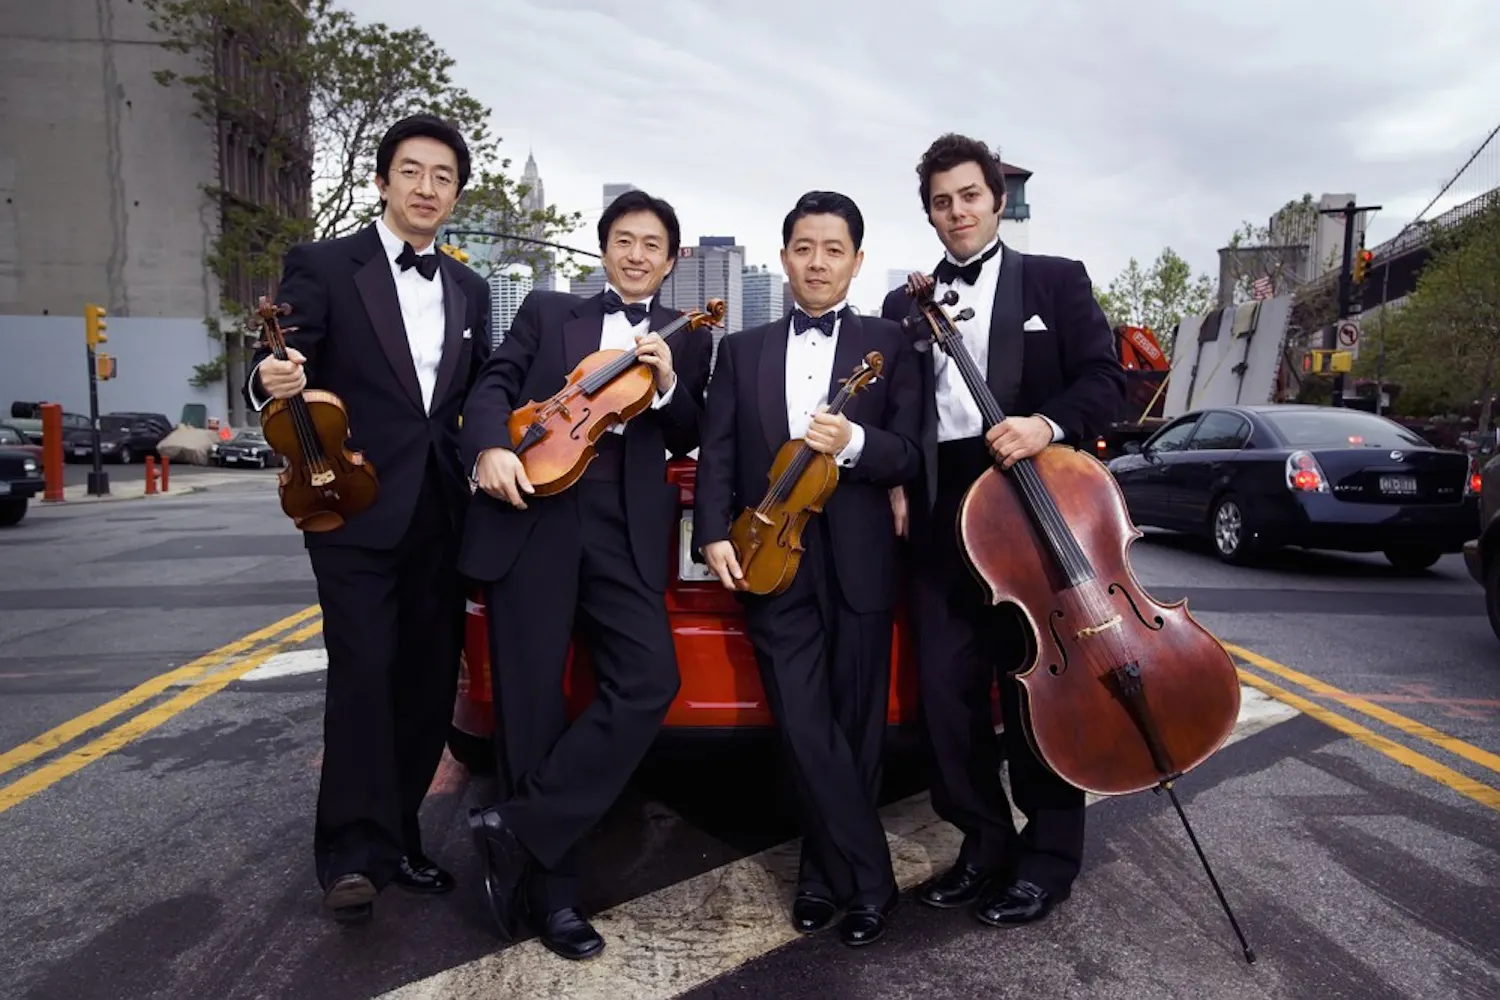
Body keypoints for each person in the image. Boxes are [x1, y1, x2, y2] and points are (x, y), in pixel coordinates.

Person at [246, 114, 492, 925]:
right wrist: (269, 377)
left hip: (440, 511)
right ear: (383, 180)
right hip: (346, 503)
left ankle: (400, 840)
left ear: (457, 192)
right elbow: (284, 360)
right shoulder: (323, 265)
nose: (427, 188)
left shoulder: (469, 288)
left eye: (443, 177)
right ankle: (350, 852)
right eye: (412, 172)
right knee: (363, 673)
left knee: (426, 683)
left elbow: (474, 396)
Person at [458, 189, 713, 961]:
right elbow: (493, 387)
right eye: (625, 240)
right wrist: (489, 447)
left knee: (648, 680)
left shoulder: (689, 341)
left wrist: (667, 385)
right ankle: (553, 898)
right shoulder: (544, 311)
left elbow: (692, 431)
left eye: (652, 246)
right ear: (604, 247)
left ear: (671, 262)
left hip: (622, 532)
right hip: (532, 517)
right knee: (530, 710)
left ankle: (518, 825)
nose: (637, 254)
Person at [880, 133, 1126, 928]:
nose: (956, 212)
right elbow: (892, 410)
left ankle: (1047, 858)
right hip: (937, 507)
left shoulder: (1054, 281)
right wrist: (894, 478)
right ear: (929, 212)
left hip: (1026, 500)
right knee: (947, 699)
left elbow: (1105, 380)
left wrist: (1046, 424)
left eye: (969, 196)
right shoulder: (903, 304)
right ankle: (982, 844)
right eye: (941, 202)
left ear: (996, 200)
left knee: (1039, 689)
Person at [694, 191, 921, 947]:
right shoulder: (743, 348)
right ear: (784, 255)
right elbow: (718, 452)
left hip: (859, 555)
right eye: (803, 247)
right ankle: (871, 879)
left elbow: (909, 452)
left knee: (855, 726)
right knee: (801, 722)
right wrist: (709, 534)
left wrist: (856, 441)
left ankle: (825, 879)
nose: (817, 262)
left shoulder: (891, 340)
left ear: (856, 261)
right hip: (770, 555)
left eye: (833, 249)